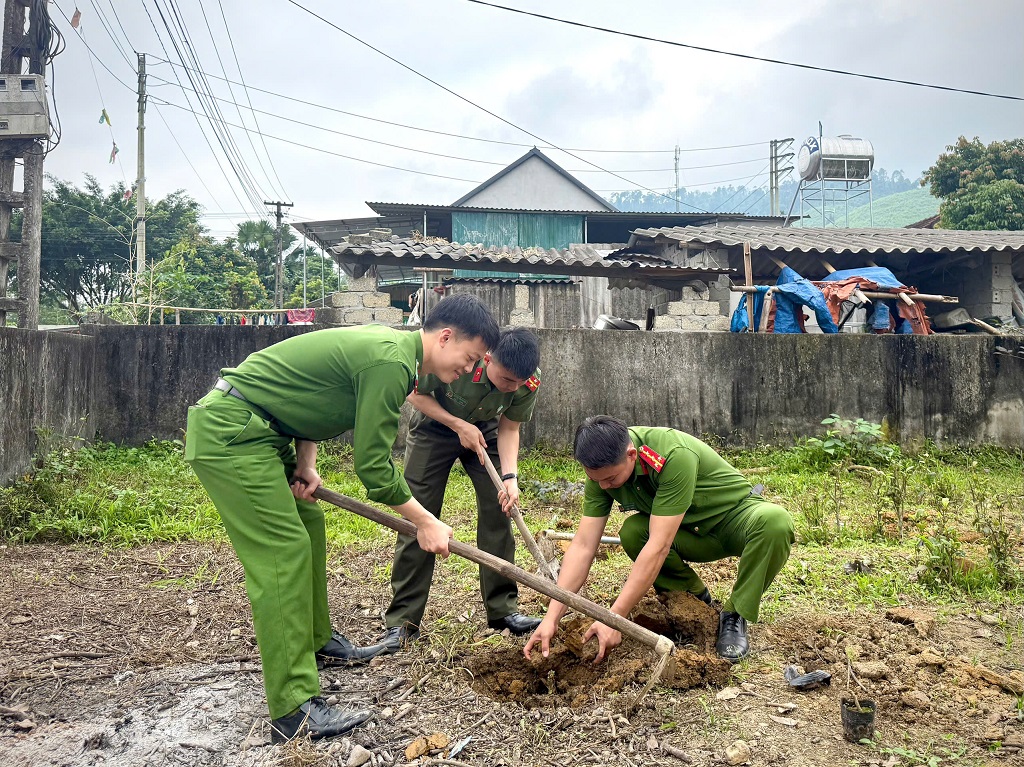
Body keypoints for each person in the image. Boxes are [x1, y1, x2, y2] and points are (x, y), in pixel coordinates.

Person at [184, 294, 499, 743]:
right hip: (233, 434)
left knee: (308, 527)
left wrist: (305, 462)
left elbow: (306, 395)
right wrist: (425, 521)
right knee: (283, 552)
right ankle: (293, 709)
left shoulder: (396, 355)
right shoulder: (391, 362)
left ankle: (316, 642)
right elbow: (373, 469)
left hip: (264, 430)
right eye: (470, 358)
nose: (469, 370)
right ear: (446, 337)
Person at [524, 416, 793, 665]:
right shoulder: (602, 473)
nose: (604, 486)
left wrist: (613, 619)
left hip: (733, 522)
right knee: (633, 532)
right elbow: (583, 545)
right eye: (597, 480)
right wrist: (552, 617)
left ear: (631, 455)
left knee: (775, 522)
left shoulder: (673, 455)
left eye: (611, 479)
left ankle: (735, 614)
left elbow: (659, 546)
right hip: (686, 533)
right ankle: (692, 598)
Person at [363, 328, 544, 657]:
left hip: (484, 431)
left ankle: (503, 610)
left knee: (499, 509)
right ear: (488, 359)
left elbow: (510, 426)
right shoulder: (461, 359)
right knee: (419, 515)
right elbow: (414, 394)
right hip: (434, 427)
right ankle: (403, 622)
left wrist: (510, 477)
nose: (512, 387)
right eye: (506, 380)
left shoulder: (526, 380)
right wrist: (457, 424)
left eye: (519, 382)